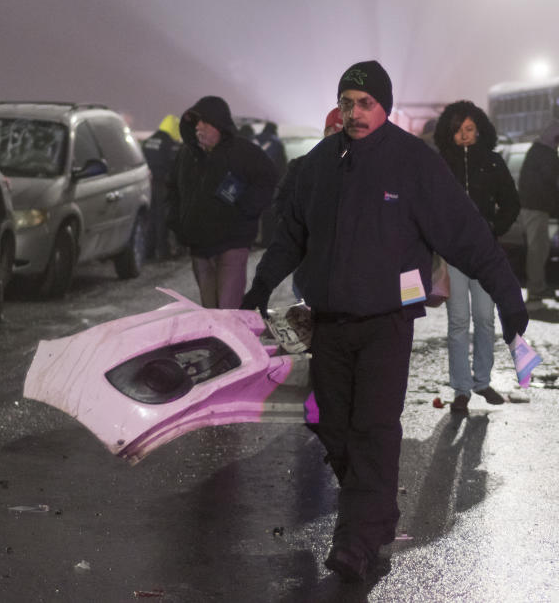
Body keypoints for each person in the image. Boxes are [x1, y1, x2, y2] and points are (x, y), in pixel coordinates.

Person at [240, 60, 527, 582]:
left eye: (365, 102)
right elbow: (291, 237)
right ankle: (373, 514)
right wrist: (258, 289)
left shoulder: (413, 163)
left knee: (373, 430)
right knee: (330, 425)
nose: (354, 112)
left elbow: (466, 235)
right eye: (346, 102)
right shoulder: (319, 164)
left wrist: (508, 299)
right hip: (327, 323)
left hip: (385, 325)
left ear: (385, 106)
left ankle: (359, 540)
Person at [433, 100, 520, 414]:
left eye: (469, 129)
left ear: (480, 129)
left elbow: (511, 202)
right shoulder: (439, 164)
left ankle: (482, 381)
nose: (464, 135)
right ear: (449, 133)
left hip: (485, 255)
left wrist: (494, 228)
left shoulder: (494, 163)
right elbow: (428, 207)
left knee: (485, 319)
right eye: (458, 130)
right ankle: (461, 390)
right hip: (454, 255)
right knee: (458, 322)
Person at [167, 96, 278, 309]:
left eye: (204, 122)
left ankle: (231, 343)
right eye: (196, 122)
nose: (198, 127)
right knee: (210, 313)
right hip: (199, 247)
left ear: (219, 125)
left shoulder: (244, 152)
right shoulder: (186, 155)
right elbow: (172, 189)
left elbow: (268, 180)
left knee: (228, 311)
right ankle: (217, 343)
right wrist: (176, 222)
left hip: (231, 244)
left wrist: (245, 208)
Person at [518, 120, 559, 302]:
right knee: (537, 250)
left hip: (531, 206)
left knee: (539, 248)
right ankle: (536, 288)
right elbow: (551, 182)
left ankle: (538, 286)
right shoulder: (547, 154)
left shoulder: (535, 151)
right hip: (536, 208)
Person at [141, 115, 182, 260]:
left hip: (146, 183)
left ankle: (147, 252)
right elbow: (175, 166)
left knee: (150, 217)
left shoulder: (147, 141)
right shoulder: (170, 143)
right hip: (163, 184)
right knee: (162, 217)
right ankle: (163, 251)